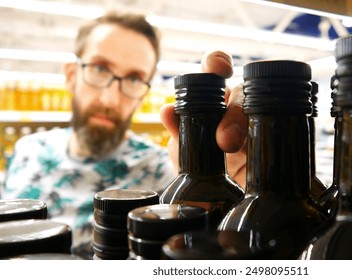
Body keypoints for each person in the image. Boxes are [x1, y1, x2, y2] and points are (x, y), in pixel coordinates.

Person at [1, 10, 247, 259]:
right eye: (99, 68)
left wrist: (244, 194)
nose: (110, 99)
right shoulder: (27, 149)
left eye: (133, 79)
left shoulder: (164, 174)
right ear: (71, 75)